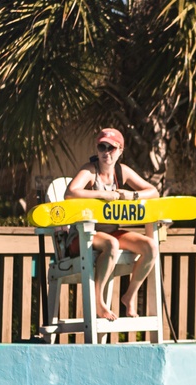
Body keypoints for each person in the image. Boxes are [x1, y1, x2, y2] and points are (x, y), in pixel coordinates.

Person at [65, 128, 160, 320]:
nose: (106, 152)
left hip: (111, 232)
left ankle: (129, 296)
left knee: (150, 246)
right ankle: (99, 302)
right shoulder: (90, 170)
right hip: (83, 235)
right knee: (111, 244)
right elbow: (70, 193)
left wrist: (131, 195)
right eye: (102, 146)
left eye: (111, 148)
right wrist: (102, 194)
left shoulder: (121, 171)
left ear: (120, 150)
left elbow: (153, 192)